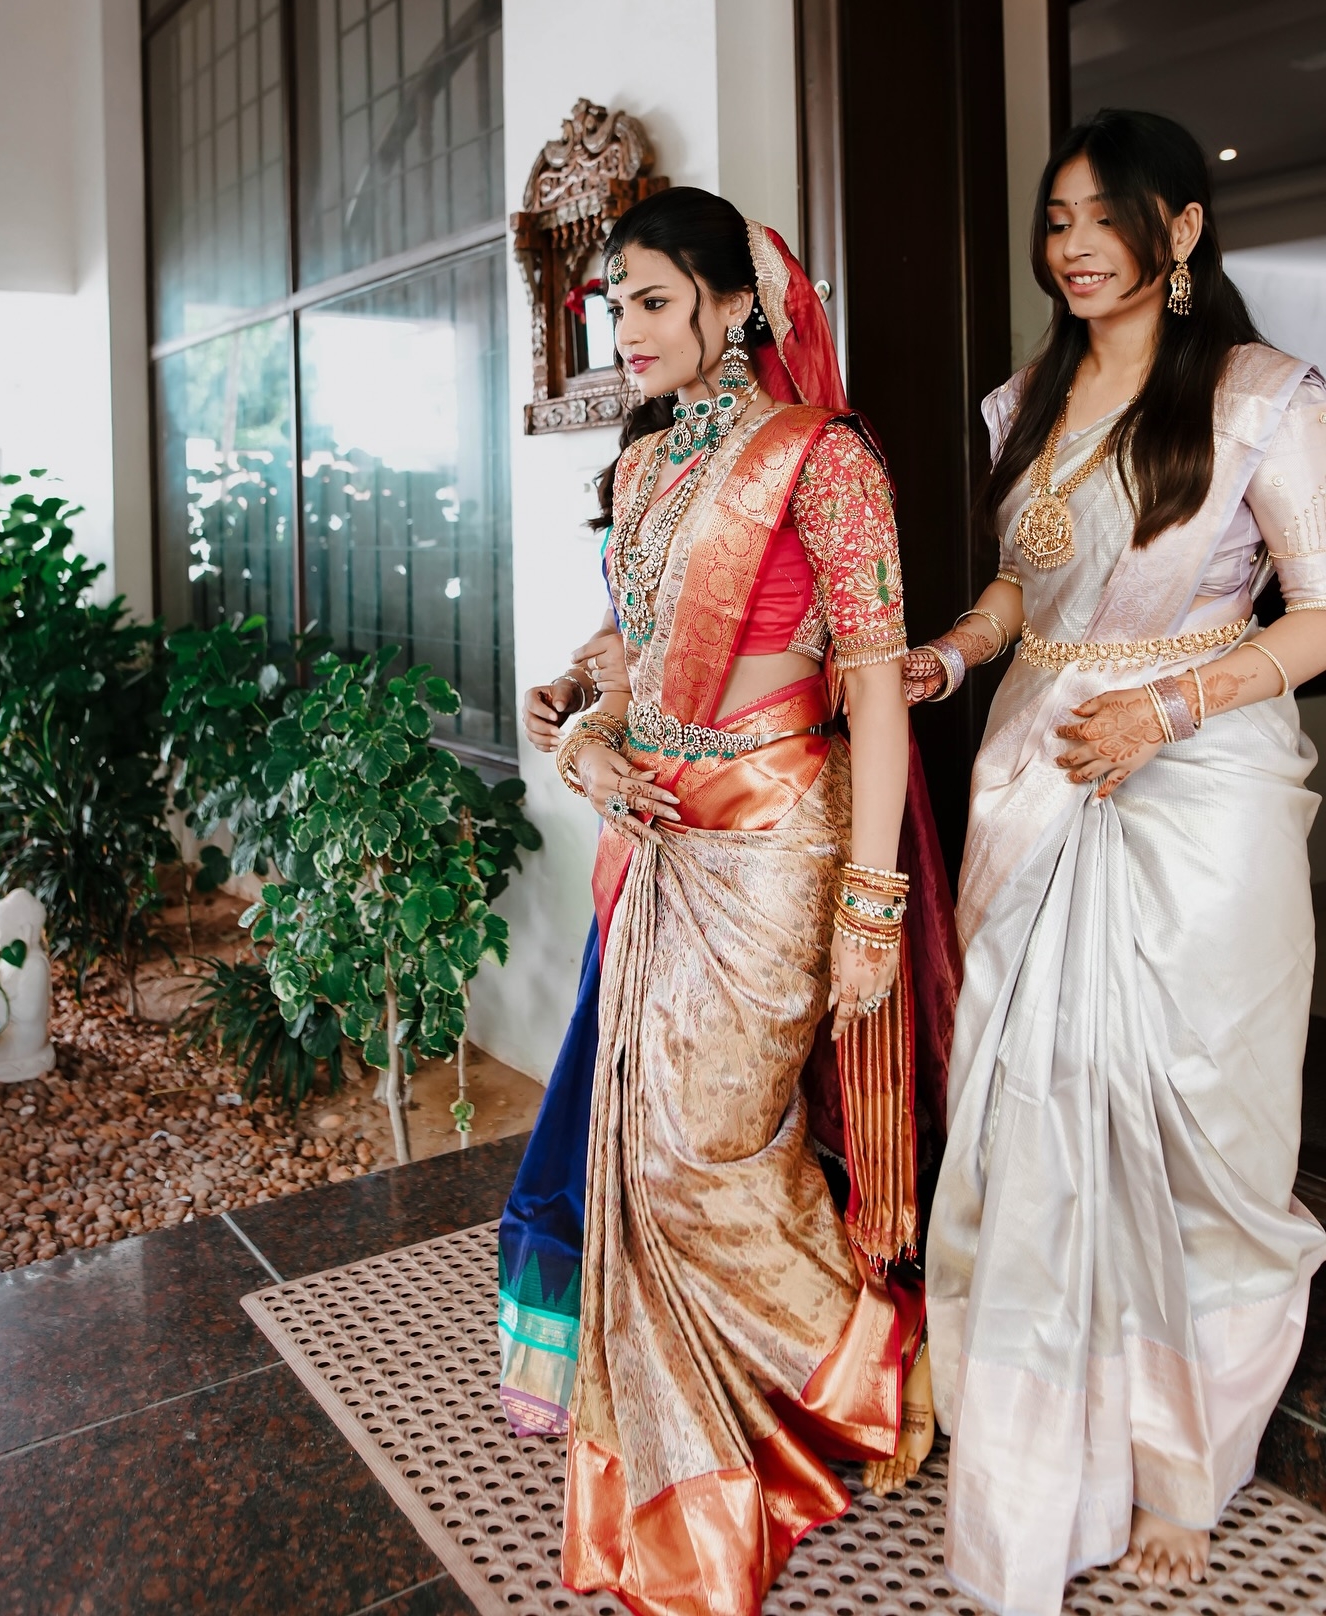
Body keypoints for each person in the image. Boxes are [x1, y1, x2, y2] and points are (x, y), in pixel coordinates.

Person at [498, 186, 959, 1616]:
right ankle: (714, 1447)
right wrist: (580, 733)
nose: (624, 331)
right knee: (648, 1156)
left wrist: (872, 903)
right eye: (612, 306)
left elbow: (873, 686)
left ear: (734, 301)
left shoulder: (825, 458)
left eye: (650, 300)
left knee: (711, 1149)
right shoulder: (643, 464)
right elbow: (637, 653)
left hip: (773, 840)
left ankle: (872, 1368)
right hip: (654, 837)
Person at [910, 109, 1326, 1615]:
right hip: (1035, 777)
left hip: (1200, 793)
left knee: (1196, 1124)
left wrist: (1164, 709)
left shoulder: (1263, 398)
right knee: (1034, 1112)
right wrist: (950, 660)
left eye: (1104, 216)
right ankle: (1046, 1469)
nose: (1074, 246)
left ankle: (1179, 1469)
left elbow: (1322, 615)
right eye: (1057, 219)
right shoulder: (1027, 398)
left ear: (1182, 229)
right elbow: (1022, 593)